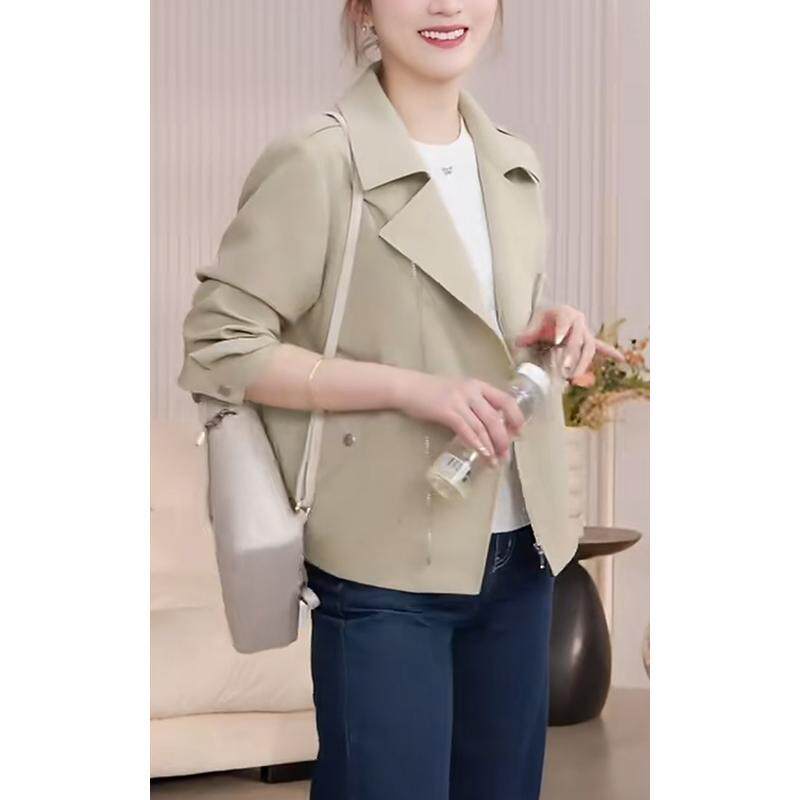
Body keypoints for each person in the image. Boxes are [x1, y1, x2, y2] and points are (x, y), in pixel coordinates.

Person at [178, 2, 624, 798]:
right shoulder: (319, 161)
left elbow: (472, 327)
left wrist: (550, 327)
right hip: (384, 564)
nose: (446, 5)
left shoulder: (513, 162)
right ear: (364, 8)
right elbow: (221, 343)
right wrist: (412, 390)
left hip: (522, 553)